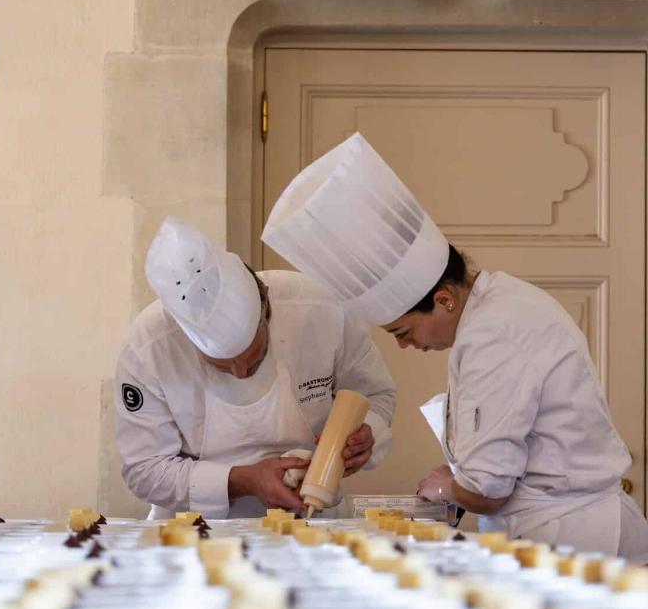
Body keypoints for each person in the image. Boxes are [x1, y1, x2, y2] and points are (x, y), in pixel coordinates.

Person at [262, 132, 648, 559]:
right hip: (569, 528)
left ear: (443, 299)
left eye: (403, 332)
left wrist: (448, 486)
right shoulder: (499, 303)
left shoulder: (493, 335)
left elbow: (490, 491)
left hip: (574, 539)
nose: (406, 347)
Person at [115, 217, 396, 518]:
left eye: (252, 358)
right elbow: (144, 470)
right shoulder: (148, 347)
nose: (239, 374)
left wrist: (365, 434)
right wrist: (242, 480)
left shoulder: (320, 309)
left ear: (267, 311)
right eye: (221, 367)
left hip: (312, 518)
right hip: (196, 528)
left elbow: (377, 396)